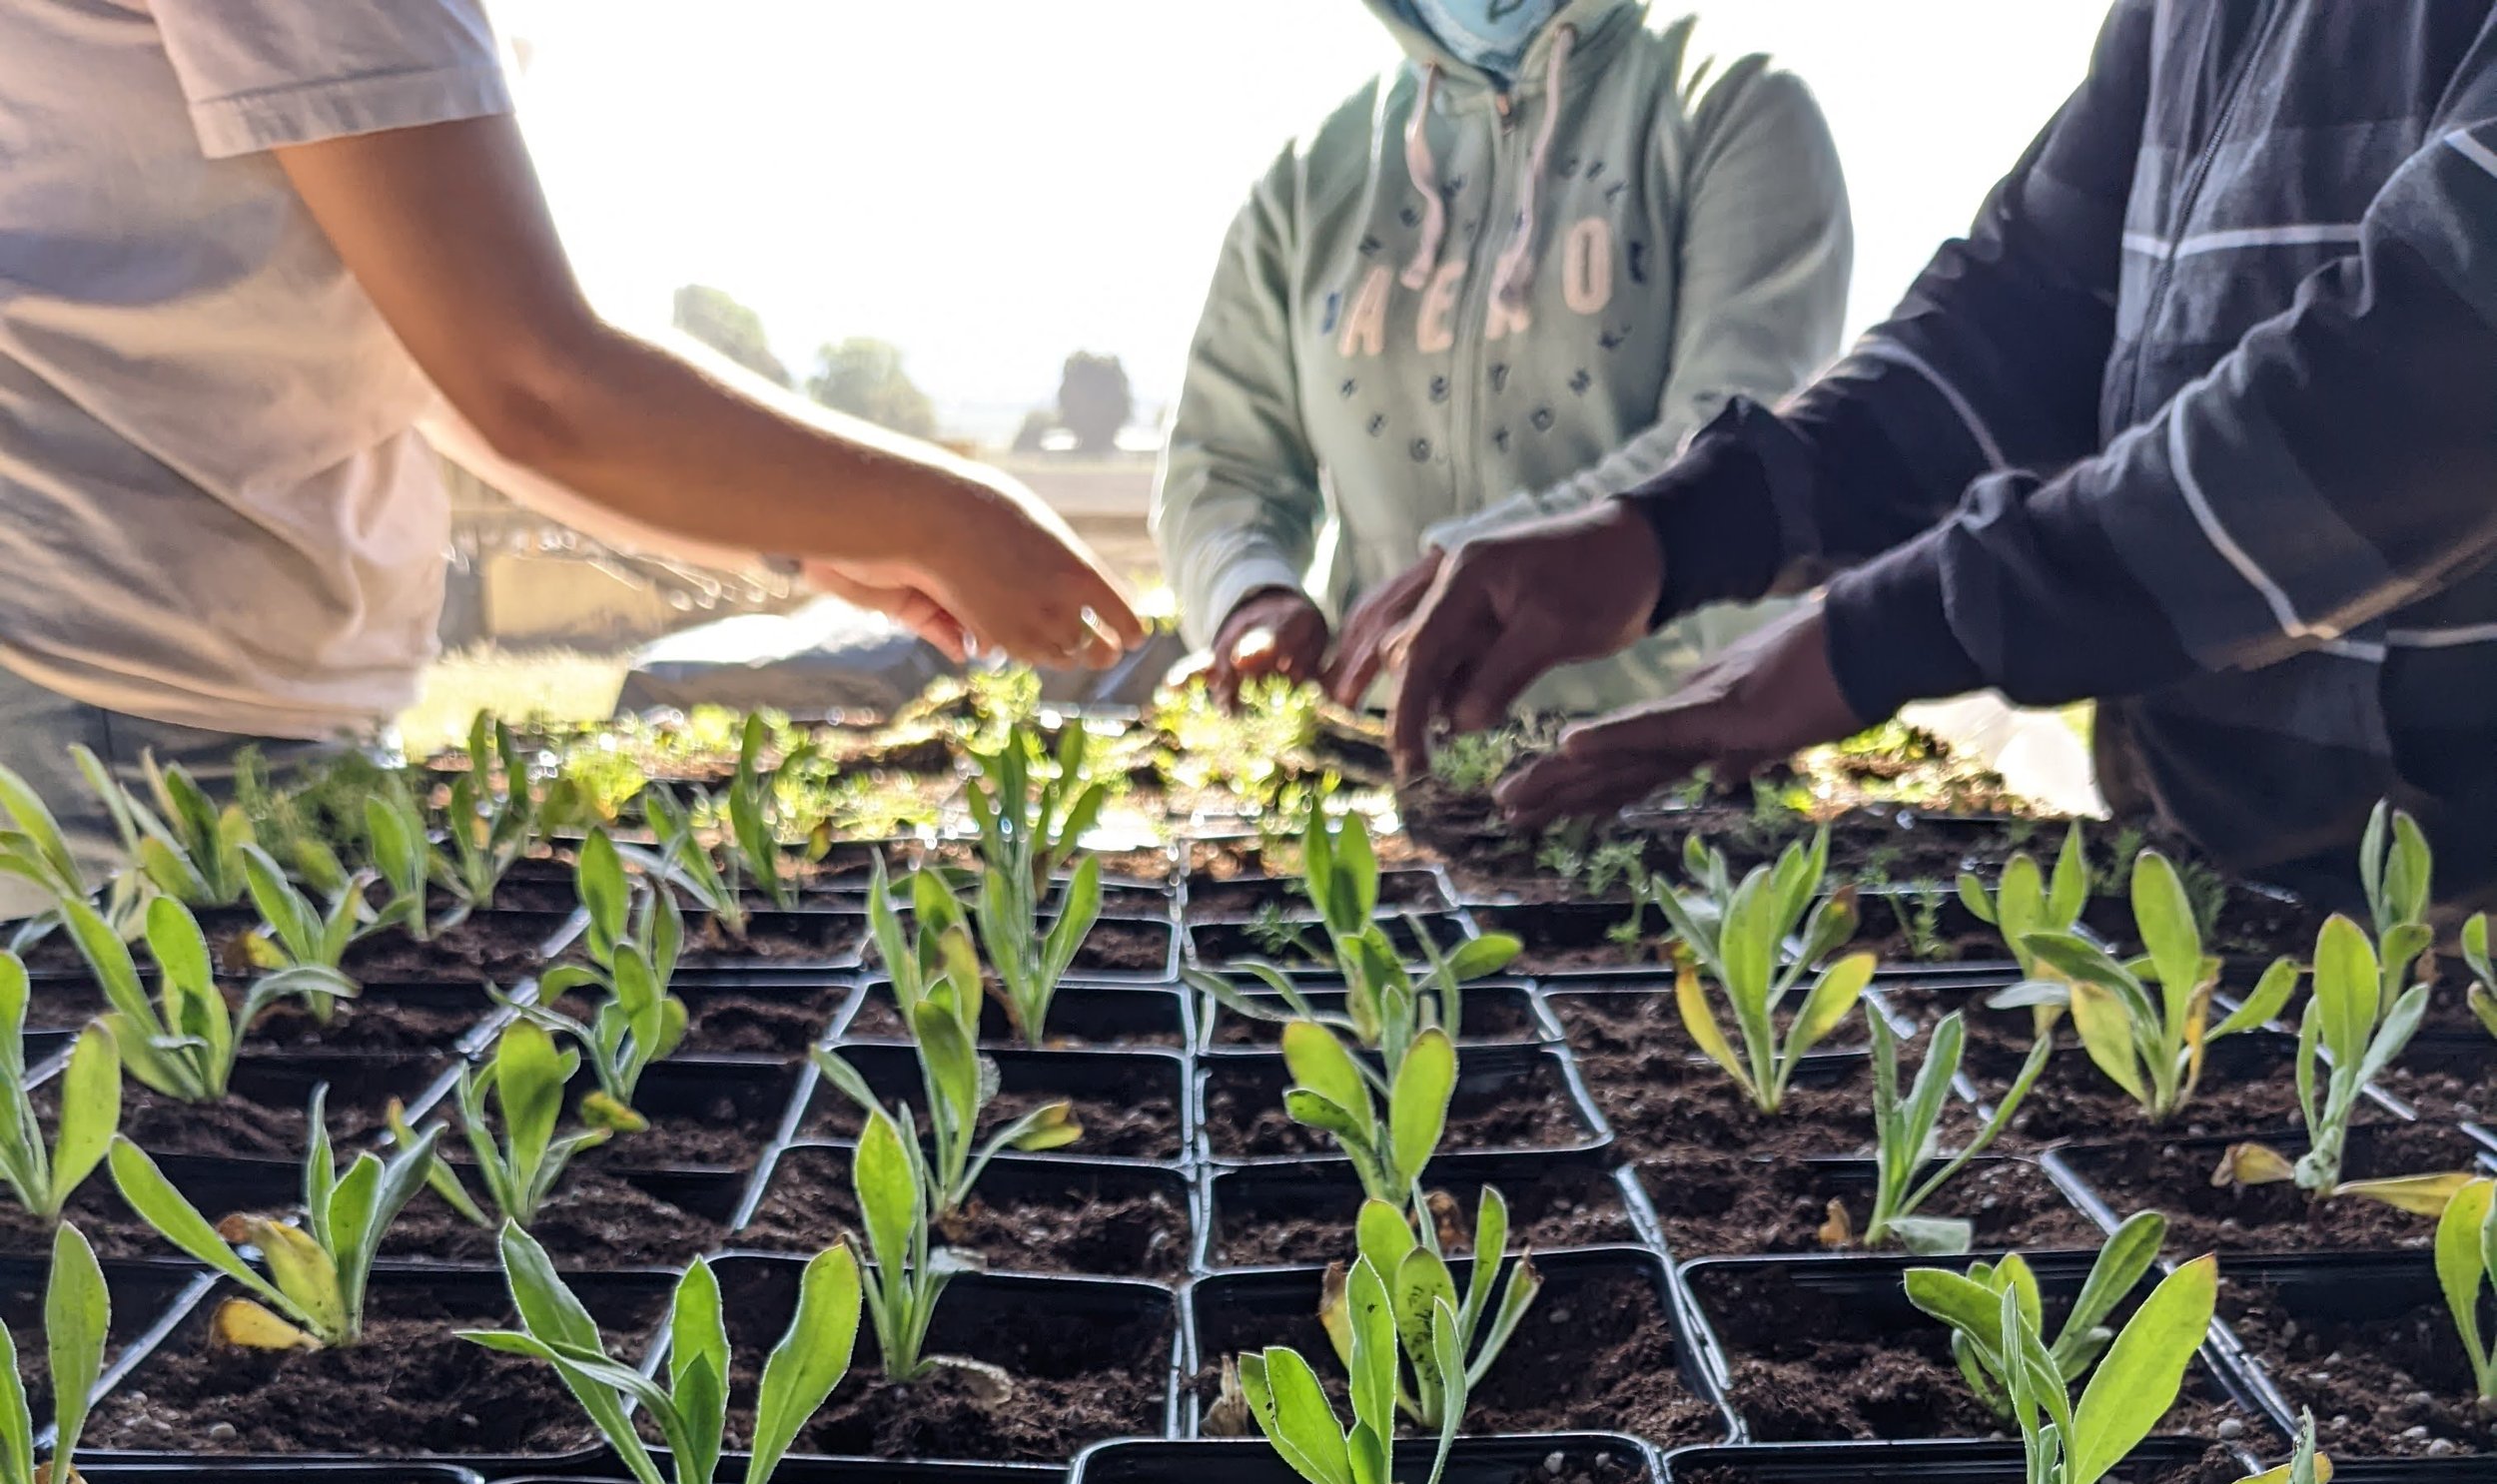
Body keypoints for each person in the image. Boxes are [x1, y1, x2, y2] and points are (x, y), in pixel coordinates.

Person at [1359, 0, 2497, 899]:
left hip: (2459, 932)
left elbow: (2423, 387)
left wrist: (1903, 627)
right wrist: (1676, 533)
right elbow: (2025, 313)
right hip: (2212, 885)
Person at [0, 0, 1142, 878]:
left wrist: (794, 536)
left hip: (158, 698)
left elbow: (435, 360)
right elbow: (529, 379)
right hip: (120, 709)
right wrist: (950, 515)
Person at [1157, 0, 1850, 725]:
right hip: (1380, 760)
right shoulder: (1308, 177)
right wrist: (1250, 593)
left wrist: (1479, 574)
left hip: (1676, 761)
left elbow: (1737, 435)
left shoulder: (1732, 103)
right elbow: (1223, 464)